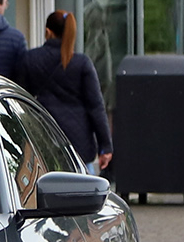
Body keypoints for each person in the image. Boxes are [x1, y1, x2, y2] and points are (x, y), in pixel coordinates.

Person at [17, 10, 112, 171]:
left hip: (42, 136)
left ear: (48, 32)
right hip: (78, 142)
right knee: (85, 190)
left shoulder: (30, 59)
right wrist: (105, 146)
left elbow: (20, 100)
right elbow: (96, 106)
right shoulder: (81, 63)